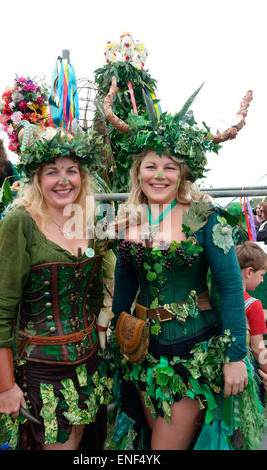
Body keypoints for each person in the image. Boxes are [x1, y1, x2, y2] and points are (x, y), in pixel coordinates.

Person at [103, 78, 265, 450]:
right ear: (138, 171)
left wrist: (236, 356)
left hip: (194, 350)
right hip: (142, 350)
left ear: (183, 174)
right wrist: (117, 334)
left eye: (170, 167)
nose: (159, 175)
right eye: (151, 166)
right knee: (150, 438)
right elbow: (125, 280)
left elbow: (229, 286)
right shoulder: (129, 218)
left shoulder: (206, 217)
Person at [0, 128, 113, 450]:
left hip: (88, 366)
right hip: (41, 372)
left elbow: (91, 292)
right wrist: (3, 386)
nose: (64, 180)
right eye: (52, 172)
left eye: (71, 170)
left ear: (82, 176)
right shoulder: (19, 223)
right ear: (36, 177)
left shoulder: (87, 219)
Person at [235, 241, 267, 404]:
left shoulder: (219, 299)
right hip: (248, 372)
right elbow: (257, 347)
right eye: (261, 275)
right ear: (249, 272)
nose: (262, 280)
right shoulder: (253, 305)